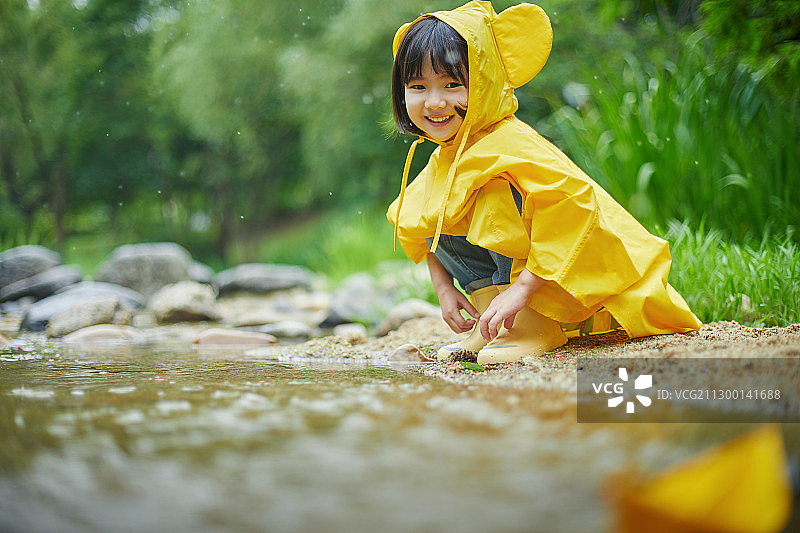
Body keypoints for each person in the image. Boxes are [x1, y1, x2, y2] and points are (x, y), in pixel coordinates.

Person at [387, 1, 702, 365]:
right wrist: (444, 289)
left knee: (494, 194)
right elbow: (421, 223)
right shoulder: (449, 155)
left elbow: (571, 212)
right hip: (526, 281)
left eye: (452, 84)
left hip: (570, 272)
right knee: (437, 203)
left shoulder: (509, 145)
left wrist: (523, 290)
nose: (434, 102)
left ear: (486, 81)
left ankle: (531, 323)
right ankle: (492, 320)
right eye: (418, 86)